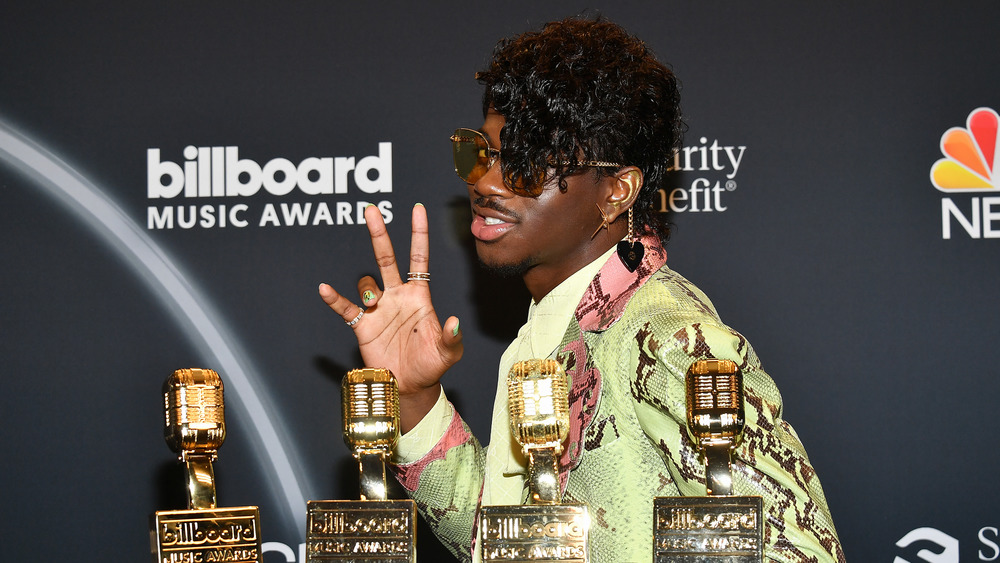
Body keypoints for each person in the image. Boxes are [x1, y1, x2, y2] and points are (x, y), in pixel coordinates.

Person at [319, 17, 845, 563]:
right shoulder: (549, 330)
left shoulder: (667, 340)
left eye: (524, 165)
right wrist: (415, 398)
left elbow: (801, 553)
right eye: (479, 153)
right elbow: (509, 541)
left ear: (616, 191)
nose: (484, 182)